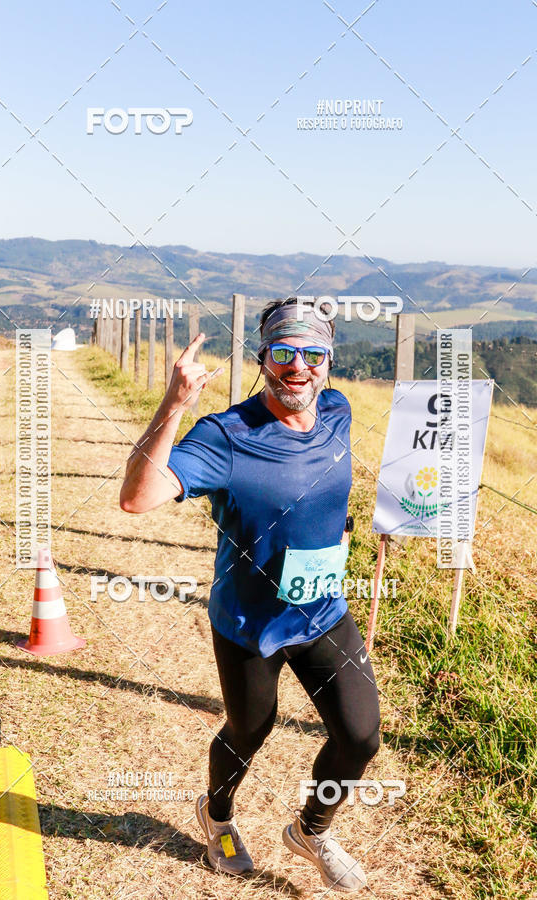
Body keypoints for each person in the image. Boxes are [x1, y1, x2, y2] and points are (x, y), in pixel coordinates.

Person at [119, 297, 381, 893]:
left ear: (329, 361)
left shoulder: (336, 411)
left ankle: (310, 831)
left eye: (313, 354)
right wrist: (174, 405)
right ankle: (217, 816)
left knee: (361, 736)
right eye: (285, 353)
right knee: (248, 732)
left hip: (323, 613)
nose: (299, 367)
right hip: (249, 622)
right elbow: (137, 497)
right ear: (264, 359)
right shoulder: (227, 435)